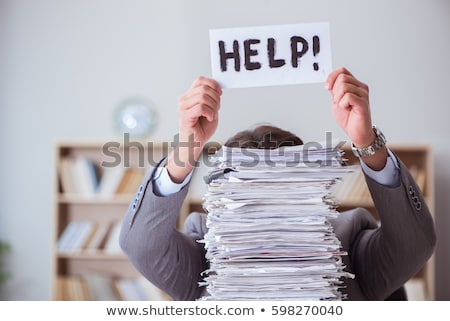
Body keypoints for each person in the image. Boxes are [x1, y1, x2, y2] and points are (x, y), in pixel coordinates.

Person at [119, 67, 436, 300]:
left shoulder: (349, 240)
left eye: (282, 188)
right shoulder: (204, 246)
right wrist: (188, 146)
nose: (266, 207)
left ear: (307, 188)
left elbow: (414, 244)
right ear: (224, 195)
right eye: (248, 190)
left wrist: (367, 143)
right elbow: (142, 245)